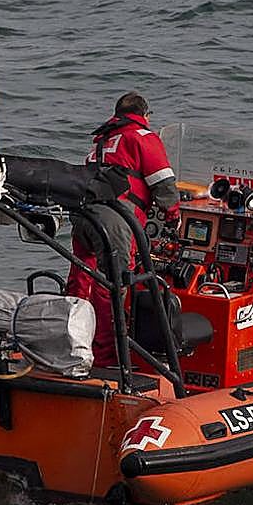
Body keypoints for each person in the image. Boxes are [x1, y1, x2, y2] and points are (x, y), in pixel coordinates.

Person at [65, 92, 180, 367]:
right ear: (145, 115)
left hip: (84, 216)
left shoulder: (102, 141)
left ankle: (72, 342)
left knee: (81, 280)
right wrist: (173, 215)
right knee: (112, 285)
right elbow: (163, 184)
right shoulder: (142, 137)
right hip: (116, 219)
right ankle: (108, 357)